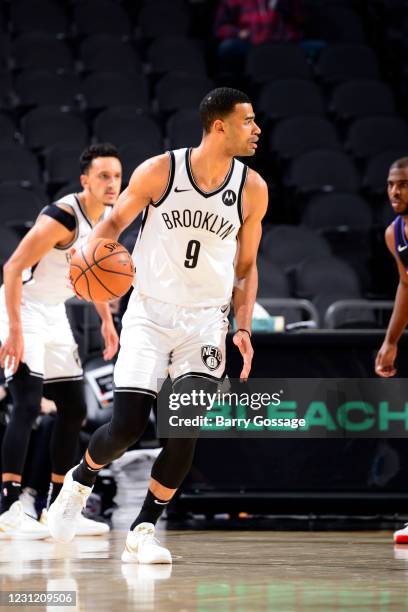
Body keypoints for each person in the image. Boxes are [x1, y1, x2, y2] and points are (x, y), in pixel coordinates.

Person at [48, 87, 268, 563]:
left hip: (205, 321)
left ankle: (144, 528)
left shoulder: (252, 188)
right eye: (248, 121)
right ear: (219, 126)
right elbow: (110, 229)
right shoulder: (160, 171)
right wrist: (90, 264)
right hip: (149, 312)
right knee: (126, 427)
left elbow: (246, 269)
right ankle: (80, 480)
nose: (256, 129)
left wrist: (243, 328)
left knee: (184, 427)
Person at [0, 143, 120, 539]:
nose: (112, 184)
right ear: (85, 179)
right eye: (104, 176)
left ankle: (58, 508)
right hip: (20, 307)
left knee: (73, 408)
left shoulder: (107, 220)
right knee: (28, 403)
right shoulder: (63, 216)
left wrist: (106, 319)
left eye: (117, 177)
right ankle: (10, 506)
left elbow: (93, 273)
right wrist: (14, 331)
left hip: (52, 312)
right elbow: (13, 267)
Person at [375, 156, 408, 544]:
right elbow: (405, 285)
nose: (395, 192)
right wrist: (390, 341)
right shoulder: (394, 232)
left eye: (403, 184)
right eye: (390, 184)